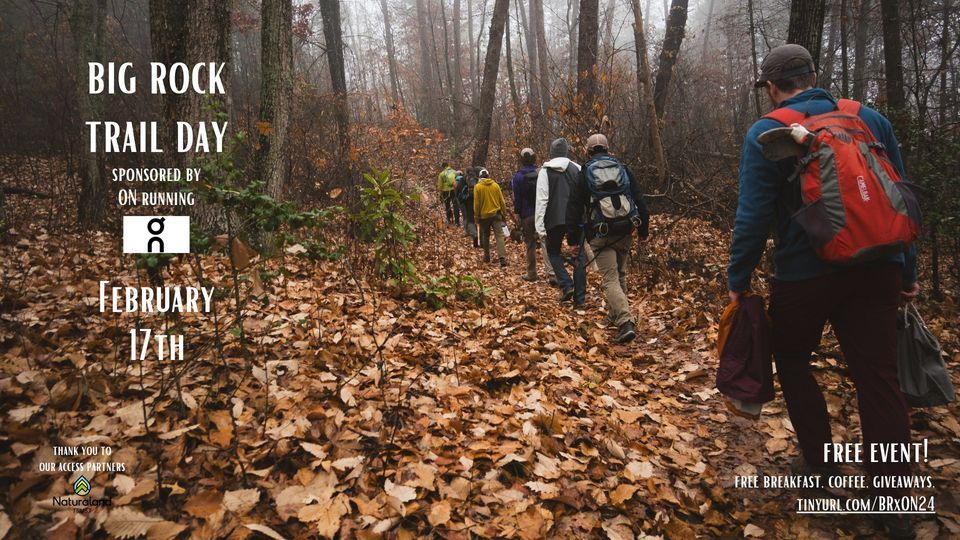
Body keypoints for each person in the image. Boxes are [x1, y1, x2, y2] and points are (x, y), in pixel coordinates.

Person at [727, 44, 919, 540]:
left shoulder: (766, 132)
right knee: (878, 376)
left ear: (772, 87)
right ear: (814, 76)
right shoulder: (869, 118)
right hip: (878, 265)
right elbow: (900, 196)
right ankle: (895, 502)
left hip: (803, 272)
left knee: (792, 360)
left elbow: (752, 216)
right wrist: (906, 270)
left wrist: (737, 278)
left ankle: (820, 468)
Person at [567, 133, 649, 343]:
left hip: (601, 232)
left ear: (587, 151)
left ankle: (625, 321)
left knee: (610, 278)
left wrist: (573, 241)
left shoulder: (585, 172)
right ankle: (616, 314)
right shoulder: (622, 168)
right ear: (607, 148)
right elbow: (639, 200)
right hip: (625, 229)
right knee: (619, 274)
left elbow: (574, 208)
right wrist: (643, 231)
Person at [536, 138, 586, 305]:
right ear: (567, 151)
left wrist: (540, 227)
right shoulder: (577, 169)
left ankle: (566, 284)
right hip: (577, 219)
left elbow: (542, 200)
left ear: (551, 152)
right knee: (579, 258)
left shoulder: (545, 171)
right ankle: (580, 300)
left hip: (554, 219)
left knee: (553, 253)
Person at [511, 148, 555, 282]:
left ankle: (532, 273)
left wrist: (517, 213)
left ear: (521, 160)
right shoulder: (542, 172)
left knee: (530, 244)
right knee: (545, 241)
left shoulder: (517, 177)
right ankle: (552, 273)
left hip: (527, 214)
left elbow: (517, 198)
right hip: (543, 212)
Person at [473, 168, 508, 267]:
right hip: (496, 215)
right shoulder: (495, 185)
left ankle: (487, 256)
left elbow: (476, 204)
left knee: (485, 235)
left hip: (484, 217)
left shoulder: (478, 187)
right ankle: (502, 258)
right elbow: (502, 201)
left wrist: (476, 217)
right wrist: (504, 214)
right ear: (488, 176)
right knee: (499, 236)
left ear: (480, 177)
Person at [457, 167, 480, 248]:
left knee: (470, 221)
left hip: (468, 203)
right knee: (480, 220)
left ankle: (474, 235)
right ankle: (482, 240)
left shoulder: (462, 181)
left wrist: (461, 202)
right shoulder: (478, 179)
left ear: (466, 172)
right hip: (478, 202)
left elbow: (458, 194)